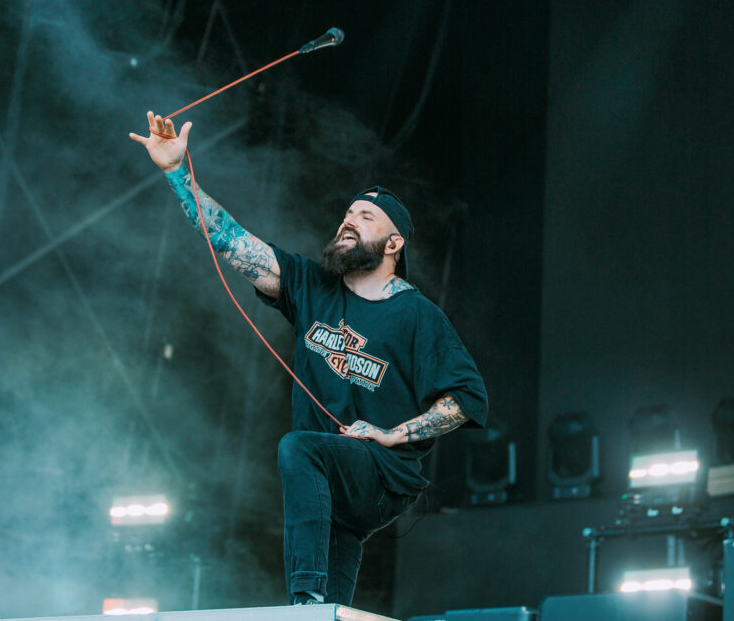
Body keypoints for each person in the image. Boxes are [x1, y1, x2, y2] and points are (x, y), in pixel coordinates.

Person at [129, 112, 488, 607]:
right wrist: (176, 172)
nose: (349, 220)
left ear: (394, 244)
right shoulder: (310, 285)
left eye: (366, 217)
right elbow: (231, 240)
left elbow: (467, 398)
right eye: (348, 213)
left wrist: (393, 434)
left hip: (381, 475)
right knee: (329, 568)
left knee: (299, 448)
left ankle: (305, 602)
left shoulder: (417, 315)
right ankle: (316, 611)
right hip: (330, 483)